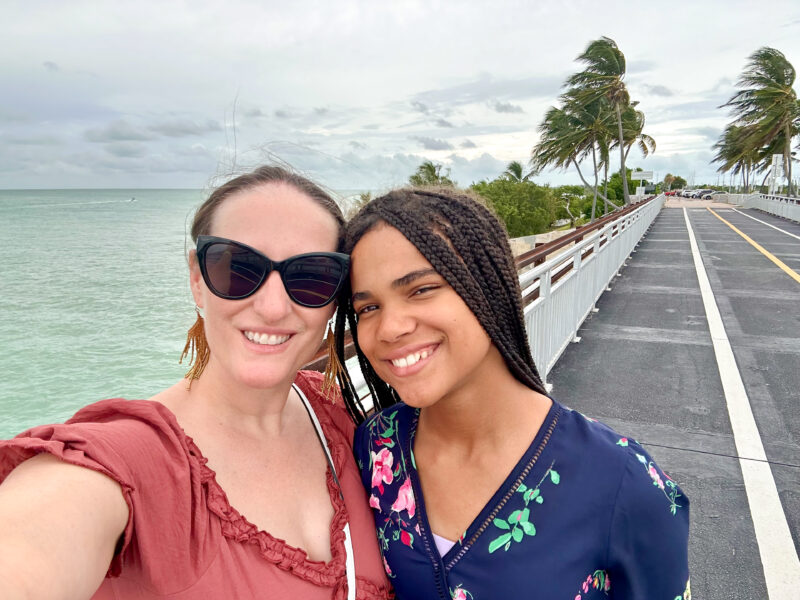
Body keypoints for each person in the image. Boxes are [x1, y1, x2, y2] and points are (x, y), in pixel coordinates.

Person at [0, 166, 392, 599]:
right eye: (239, 269)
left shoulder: (339, 416)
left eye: (310, 276)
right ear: (197, 280)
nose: (274, 307)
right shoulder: (128, 461)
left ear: (335, 298)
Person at [334, 188, 691, 600]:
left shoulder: (621, 481)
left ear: (489, 287)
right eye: (368, 308)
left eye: (421, 289)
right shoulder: (378, 445)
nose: (390, 328)